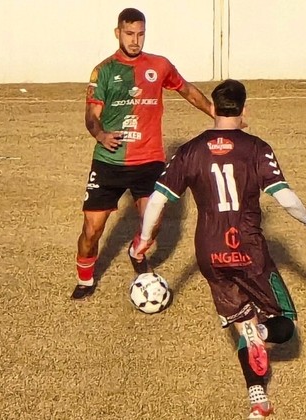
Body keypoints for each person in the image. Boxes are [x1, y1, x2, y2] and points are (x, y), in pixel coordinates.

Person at [131, 79, 306, 419]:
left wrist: (145, 238)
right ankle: (261, 333)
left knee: (242, 323)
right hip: (249, 249)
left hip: (210, 252)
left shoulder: (190, 151)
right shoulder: (256, 148)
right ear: (243, 108)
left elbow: (158, 198)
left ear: (214, 108)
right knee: (284, 323)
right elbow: (284, 196)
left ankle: (258, 401)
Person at [72, 8, 214, 300]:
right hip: (110, 161)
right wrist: (101, 135)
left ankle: (137, 251)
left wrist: (216, 113)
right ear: (118, 33)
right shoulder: (104, 71)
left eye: (140, 34)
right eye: (129, 34)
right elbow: (91, 116)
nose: (135, 40)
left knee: (154, 220)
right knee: (92, 229)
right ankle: (85, 279)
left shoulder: (159, 65)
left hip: (149, 161)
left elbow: (187, 90)